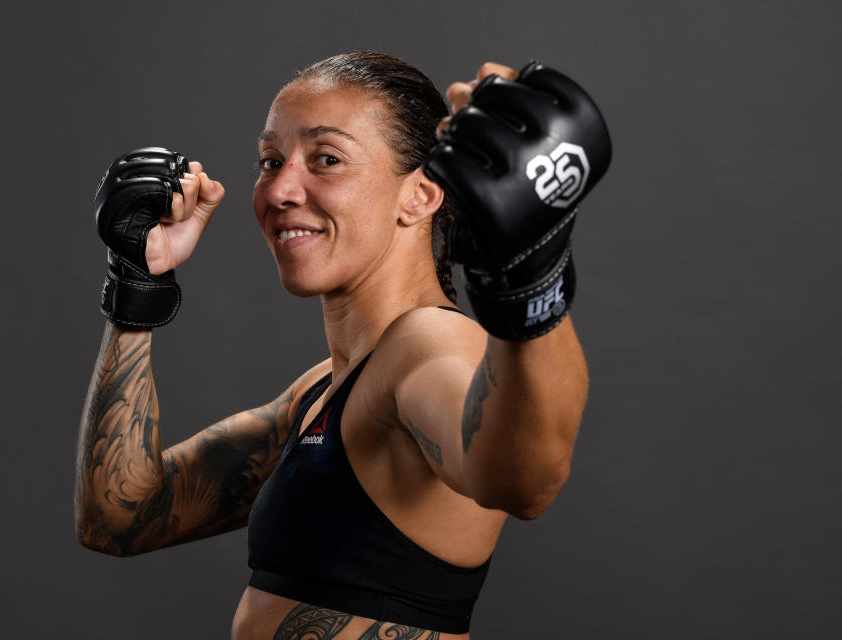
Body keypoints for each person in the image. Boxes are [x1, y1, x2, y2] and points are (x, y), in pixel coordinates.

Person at [75, 51, 611, 639]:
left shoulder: (428, 347)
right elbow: (118, 517)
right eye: (270, 160)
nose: (280, 189)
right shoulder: (319, 392)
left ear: (421, 194)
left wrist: (531, 279)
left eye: (326, 159)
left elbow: (523, 481)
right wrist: (136, 288)